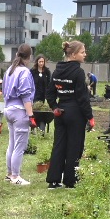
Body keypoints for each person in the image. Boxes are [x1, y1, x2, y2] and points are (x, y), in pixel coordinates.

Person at [47, 40, 93, 189]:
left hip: (60, 112)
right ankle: (70, 180)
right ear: (73, 54)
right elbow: (82, 98)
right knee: (74, 146)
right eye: (82, 52)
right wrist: (90, 117)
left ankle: (53, 180)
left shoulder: (57, 70)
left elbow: (50, 93)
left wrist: (54, 107)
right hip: (75, 113)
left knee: (59, 145)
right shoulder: (78, 72)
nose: (85, 55)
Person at [2, 44, 37, 185]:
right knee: (20, 146)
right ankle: (16, 177)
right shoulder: (24, 72)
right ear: (29, 57)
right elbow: (25, 95)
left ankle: (9, 174)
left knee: (12, 143)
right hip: (19, 111)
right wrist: (31, 115)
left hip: (8, 109)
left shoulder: (9, 70)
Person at [32, 56, 55, 134]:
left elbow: (49, 84)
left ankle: (41, 127)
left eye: (42, 62)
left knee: (41, 112)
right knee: (35, 111)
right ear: (37, 62)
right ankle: (33, 127)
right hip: (34, 95)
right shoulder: (32, 71)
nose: (41, 63)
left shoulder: (47, 72)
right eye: (40, 62)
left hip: (43, 95)